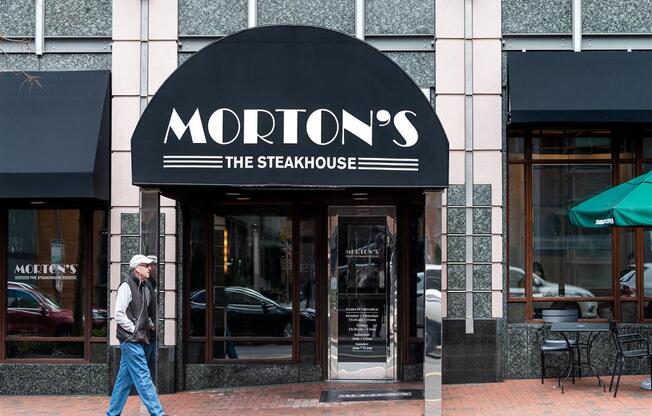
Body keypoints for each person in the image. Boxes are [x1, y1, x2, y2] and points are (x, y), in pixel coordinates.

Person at [106, 254, 167, 416]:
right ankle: (158, 413)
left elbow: (142, 314)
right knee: (143, 377)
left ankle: (112, 414)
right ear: (136, 268)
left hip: (138, 338)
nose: (149, 268)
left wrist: (150, 326)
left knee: (124, 380)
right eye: (146, 265)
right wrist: (133, 329)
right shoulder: (126, 286)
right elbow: (118, 314)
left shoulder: (144, 287)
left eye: (149, 265)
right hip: (131, 339)